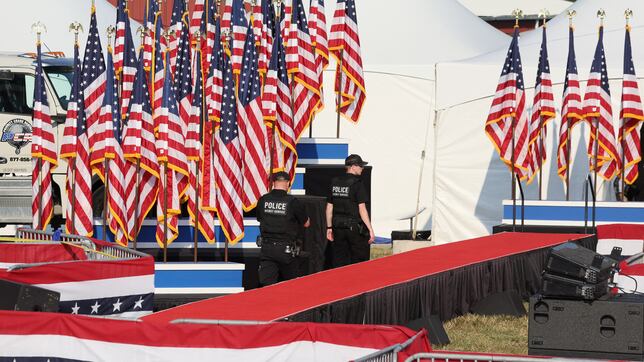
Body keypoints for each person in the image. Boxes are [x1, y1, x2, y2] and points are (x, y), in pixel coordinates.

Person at [256, 171, 310, 286]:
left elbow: (259, 218)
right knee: (291, 285)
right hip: (286, 250)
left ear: (274, 183)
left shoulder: (263, 200)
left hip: (267, 248)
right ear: (288, 183)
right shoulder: (292, 202)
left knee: (266, 285)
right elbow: (306, 223)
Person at [326, 154, 375, 267]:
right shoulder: (357, 183)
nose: (362, 168)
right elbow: (362, 209)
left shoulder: (335, 182)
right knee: (358, 259)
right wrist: (370, 229)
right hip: (353, 227)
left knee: (339, 258)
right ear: (353, 166)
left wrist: (329, 228)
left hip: (337, 226)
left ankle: (339, 281)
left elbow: (329, 207)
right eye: (360, 166)